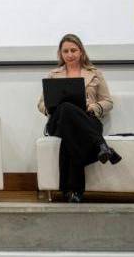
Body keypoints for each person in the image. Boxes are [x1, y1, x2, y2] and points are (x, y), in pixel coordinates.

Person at [36, 34, 121, 203]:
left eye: (73, 50)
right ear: (60, 54)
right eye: (65, 51)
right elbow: (40, 103)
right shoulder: (53, 74)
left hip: (87, 119)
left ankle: (72, 192)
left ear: (81, 51)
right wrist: (51, 109)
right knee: (66, 108)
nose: (70, 54)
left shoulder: (95, 73)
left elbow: (108, 102)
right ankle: (101, 145)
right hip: (58, 121)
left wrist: (94, 107)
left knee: (72, 137)